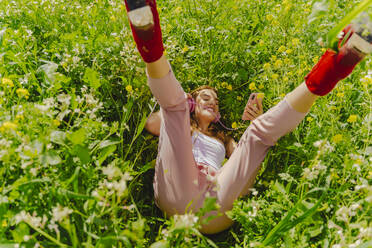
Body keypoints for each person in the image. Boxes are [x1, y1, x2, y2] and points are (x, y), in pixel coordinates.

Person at [123, 0, 369, 234]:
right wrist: (183, 107)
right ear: (193, 104)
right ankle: (148, 34)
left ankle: (335, 65)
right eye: (205, 98)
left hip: (216, 204)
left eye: (216, 102)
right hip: (177, 192)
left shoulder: (223, 138)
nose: (213, 102)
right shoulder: (181, 122)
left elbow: (241, 161)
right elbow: (152, 123)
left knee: (258, 135)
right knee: (172, 109)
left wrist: (255, 123)